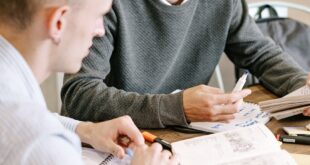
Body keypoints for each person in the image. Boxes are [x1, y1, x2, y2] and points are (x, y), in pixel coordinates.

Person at [61, 0, 310, 129]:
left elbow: (259, 53)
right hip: (109, 145)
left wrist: (301, 86)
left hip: (186, 138)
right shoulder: (105, 4)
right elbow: (78, 95)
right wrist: (176, 107)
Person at [0, 0, 178, 164]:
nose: (100, 30)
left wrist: (85, 129)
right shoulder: (42, 146)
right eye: (98, 16)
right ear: (58, 23)